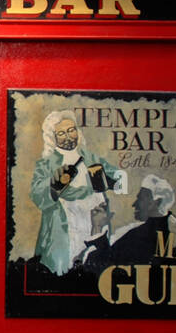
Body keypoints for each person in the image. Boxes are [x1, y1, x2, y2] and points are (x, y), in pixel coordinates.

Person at [29, 111, 126, 276]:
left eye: (71, 130)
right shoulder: (47, 164)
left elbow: (120, 180)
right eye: (61, 133)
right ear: (53, 137)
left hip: (95, 222)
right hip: (65, 227)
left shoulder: (90, 158)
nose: (68, 136)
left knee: (96, 268)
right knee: (66, 273)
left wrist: (112, 182)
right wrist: (55, 185)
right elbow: (37, 195)